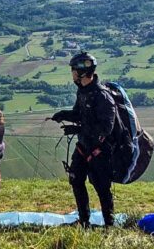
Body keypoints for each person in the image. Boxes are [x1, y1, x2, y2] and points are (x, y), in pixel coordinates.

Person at [50, 52, 116, 228]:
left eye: (73, 70)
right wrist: (64, 115)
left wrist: (79, 129)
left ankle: (109, 225)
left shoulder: (102, 96)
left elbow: (106, 128)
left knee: (102, 188)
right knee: (76, 180)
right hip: (83, 147)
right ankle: (84, 221)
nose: (72, 74)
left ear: (81, 72)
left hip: (100, 151)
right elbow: (79, 114)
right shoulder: (83, 92)